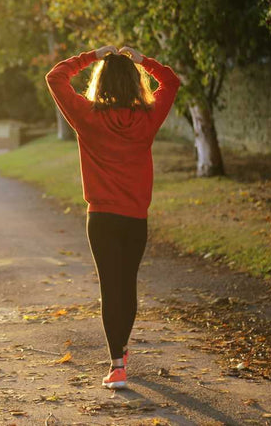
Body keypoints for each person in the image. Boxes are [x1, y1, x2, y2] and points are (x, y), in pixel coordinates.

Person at [45, 45, 181, 390]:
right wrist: (143, 61)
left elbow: (55, 77)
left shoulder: (87, 116)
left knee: (110, 286)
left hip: (102, 218)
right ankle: (120, 348)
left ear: (100, 82)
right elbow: (171, 81)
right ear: (136, 84)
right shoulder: (148, 117)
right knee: (128, 283)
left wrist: (92, 55)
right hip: (135, 218)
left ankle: (117, 364)